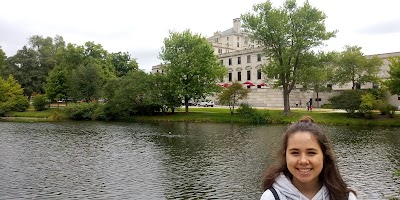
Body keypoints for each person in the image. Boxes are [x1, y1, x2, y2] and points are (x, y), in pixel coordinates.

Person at [260, 116, 357, 200]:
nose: (303, 161)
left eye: (311, 153)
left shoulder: (346, 197)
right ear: (285, 156)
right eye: (295, 153)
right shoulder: (271, 197)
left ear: (324, 155)